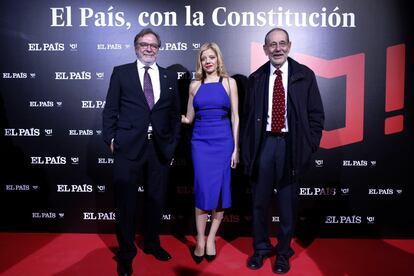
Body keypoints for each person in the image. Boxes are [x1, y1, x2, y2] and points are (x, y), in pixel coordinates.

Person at [241, 28, 324, 274]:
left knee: (287, 206)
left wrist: (310, 144)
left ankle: (283, 253)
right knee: (259, 203)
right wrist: (248, 149)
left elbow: (316, 114)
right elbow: (247, 120)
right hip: (264, 145)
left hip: (291, 146)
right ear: (265, 49)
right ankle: (261, 249)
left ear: (289, 45)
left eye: (282, 43)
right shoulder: (255, 78)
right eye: (272, 44)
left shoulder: (304, 75)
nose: (277, 48)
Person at [102, 28, 181, 276]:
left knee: (155, 200)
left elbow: (174, 115)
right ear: (136, 46)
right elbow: (110, 110)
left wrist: (171, 143)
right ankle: (126, 254)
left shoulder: (169, 77)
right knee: (125, 204)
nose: (149, 48)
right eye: (144, 44)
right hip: (128, 147)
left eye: (154, 45)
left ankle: (152, 243)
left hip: (158, 148)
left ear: (159, 48)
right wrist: (111, 139)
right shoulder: (121, 73)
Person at [181, 42, 239, 263]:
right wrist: (161, 116)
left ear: (218, 59)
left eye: (211, 57)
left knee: (221, 193)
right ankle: (200, 239)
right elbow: (188, 118)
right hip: (200, 143)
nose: (208, 61)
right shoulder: (194, 85)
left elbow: (236, 117)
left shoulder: (229, 82)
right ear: (200, 61)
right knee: (203, 191)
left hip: (223, 142)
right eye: (204, 58)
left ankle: (212, 238)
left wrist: (236, 148)